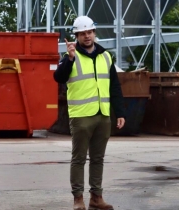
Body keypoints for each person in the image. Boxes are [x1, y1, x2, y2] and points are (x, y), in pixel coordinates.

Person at [54, 16, 126, 210]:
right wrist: (69, 59)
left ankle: (96, 197)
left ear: (94, 33)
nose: (87, 36)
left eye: (89, 32)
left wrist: (119, 112)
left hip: (103, 115)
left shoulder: (106, 56)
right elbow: (58, 77)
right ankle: (78, 199)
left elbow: (115, 87)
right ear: (76, 36)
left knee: (98, 158)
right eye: (82, 33)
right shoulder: (70, 56)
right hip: (81, 116)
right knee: (78, 159)